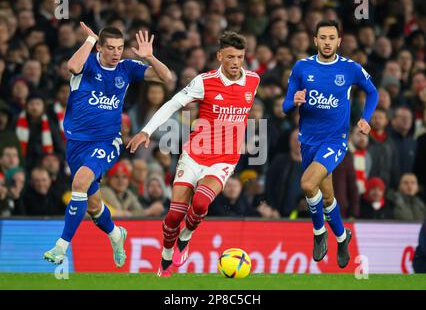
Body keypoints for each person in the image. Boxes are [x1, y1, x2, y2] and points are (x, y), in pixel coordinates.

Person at [127, 31, 260, 276]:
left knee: (200, 202)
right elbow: (172, 104)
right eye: (230, 57)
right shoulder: (204, 81)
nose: (235, 62)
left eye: (239, 57)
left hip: (224, 159)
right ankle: (167, 256)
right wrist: (146, 131)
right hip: (194, 154)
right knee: (174, 215)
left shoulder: (253, 80)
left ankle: (186, 238)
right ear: (220, 56)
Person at [43, 22, 172, 267]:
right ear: (99, 47)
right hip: (76, 143)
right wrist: (89, 40)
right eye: (110, 48)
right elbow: (72, 66)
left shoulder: (127, 68)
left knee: (79, 182)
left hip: (107, 140)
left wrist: (150, 57)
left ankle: (61, 247)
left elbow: (167, 78)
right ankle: (116, 234)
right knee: (93, 207)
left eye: (120, 48)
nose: (116, 53)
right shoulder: (87, 62)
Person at [282, 20, 378, 268]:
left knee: (307, 183)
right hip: (308, 141)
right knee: (326, 198)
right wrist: (295, 100)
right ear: (315, 40)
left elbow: (373, 91)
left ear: (339, 41)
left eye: (331, 37)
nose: (327, 42)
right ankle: (342, 236)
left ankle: (318, 232)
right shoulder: (302, 67)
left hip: (335, 140)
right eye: (322, 37)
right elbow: (284, 107)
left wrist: (366, 119)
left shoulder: (350, 68)